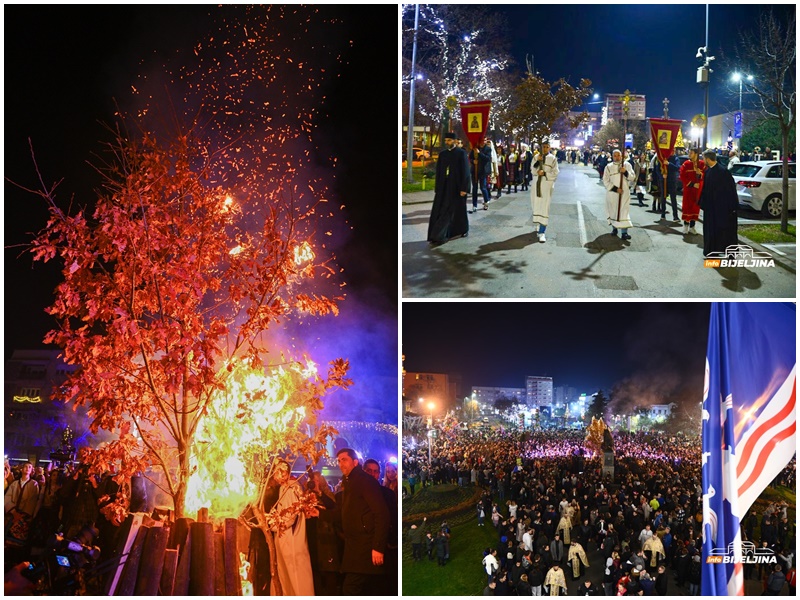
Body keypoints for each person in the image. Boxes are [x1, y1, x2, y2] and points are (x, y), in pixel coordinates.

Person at [330, 448, 390, 595]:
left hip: (364, 546)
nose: (340, 463)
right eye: (339, 460)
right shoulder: (349, 482)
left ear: (355, 462)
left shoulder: (365, 481)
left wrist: (378, 547)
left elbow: (381, 513)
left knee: (351, 589)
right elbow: (343, 515)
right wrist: (318, 513)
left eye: (344, 459)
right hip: (355, 547)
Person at [269, 460, 315, 596]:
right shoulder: (285, 487)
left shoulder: (290, 487)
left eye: (277, 472)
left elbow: (289, 518)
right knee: (286, 574)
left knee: (294, 575)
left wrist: (272, 525)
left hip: (289, 538)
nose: (275, 476)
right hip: (285, 537)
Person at [427, 132, 471, 245]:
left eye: (449, 140)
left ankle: (461, 230)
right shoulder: (443, 154)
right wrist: (437, 187)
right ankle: (438, 234)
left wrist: (464, 188)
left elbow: (466, 172)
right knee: (441, 210)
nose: (447, 142)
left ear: (455, 141)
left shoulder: (461, 154)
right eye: (446, 140)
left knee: (457, 210)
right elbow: (439, 172)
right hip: (444, 187)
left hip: (457, 187)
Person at [363, 458, 398, 593]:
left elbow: (392, 518)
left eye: (375, 471)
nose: (373, 474)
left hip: (384, 545)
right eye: (369, 471)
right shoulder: (358, 493)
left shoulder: (387, 493)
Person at [698, 150, 739, 257]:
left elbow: (730, 190)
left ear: (707, 159)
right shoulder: (708, 172)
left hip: (723, 208)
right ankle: (711, 250)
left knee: (725, 230)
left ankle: (729, 252)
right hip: (711, 208)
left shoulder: (723, 172)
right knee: (711, 230)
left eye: (703, 158)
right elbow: (706, 190)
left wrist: (732, 206)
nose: (703, 160)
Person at [4, 462, 40, 561]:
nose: (27, 468)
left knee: (19, 544)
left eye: (29, 467)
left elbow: (32, 501)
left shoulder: (34, 484)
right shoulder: (15, 483)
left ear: (32, 470)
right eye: (25, 466)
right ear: (21, 469)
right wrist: (13, 511)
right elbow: (7, 497)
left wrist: (23, 514)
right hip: (12, 515)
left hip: (24, 518)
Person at [602, 149, 635, 239]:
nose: (617, 157)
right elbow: (605, 180)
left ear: (621, 156)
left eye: (618, 155)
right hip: (613, 193)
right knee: (614, 211)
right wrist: (615, 189)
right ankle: (614, 228)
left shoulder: (627, 165)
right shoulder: (608, 167)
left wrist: (625, 172)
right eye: (615, 155)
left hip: (624, 193)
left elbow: (632, 177)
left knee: (623, 211)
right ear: (612, 156)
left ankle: (624, 233)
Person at [530, 141, 559, 243]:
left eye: (547, 147)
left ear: (549, 148)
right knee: (536, 205)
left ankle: (542, 232)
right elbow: (532, 169)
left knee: (544, 207)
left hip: (546, 186)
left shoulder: (553, 159)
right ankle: (538, 224)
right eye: (543, 147)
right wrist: (538, 163)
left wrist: (545, 173)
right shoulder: (536, 156)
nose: (545, 149)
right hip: (536, 185)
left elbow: (555, 173)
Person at [679, 148, 705, 234]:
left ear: (696, 154)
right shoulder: (685, 164)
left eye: (691, 152)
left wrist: (700, 174)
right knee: (687, 207)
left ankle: (692, 227)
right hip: (688, 190)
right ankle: (685, 226)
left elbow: (705, 175)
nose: (689, 154)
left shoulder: (702, 164)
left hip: (697, 191)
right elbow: (682, 176)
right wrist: (692, 184)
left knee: (695, 208)